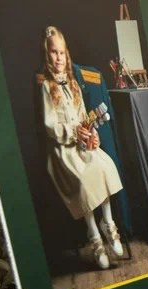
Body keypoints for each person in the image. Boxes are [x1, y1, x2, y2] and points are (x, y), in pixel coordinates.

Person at [39, 26, 127, 271]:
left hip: (80, 145)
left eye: (62, 53)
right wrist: (72, 132)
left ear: (67, 55)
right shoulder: (47, 87)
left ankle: (108, 225)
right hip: (62, 151)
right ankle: (94, 236)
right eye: (54, 53)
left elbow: (82, 118)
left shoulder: (74, 84)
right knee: (85, 179)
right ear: (48, 56)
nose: (59, 58)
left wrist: (91, 133)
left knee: (104, 165)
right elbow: (50, 127)